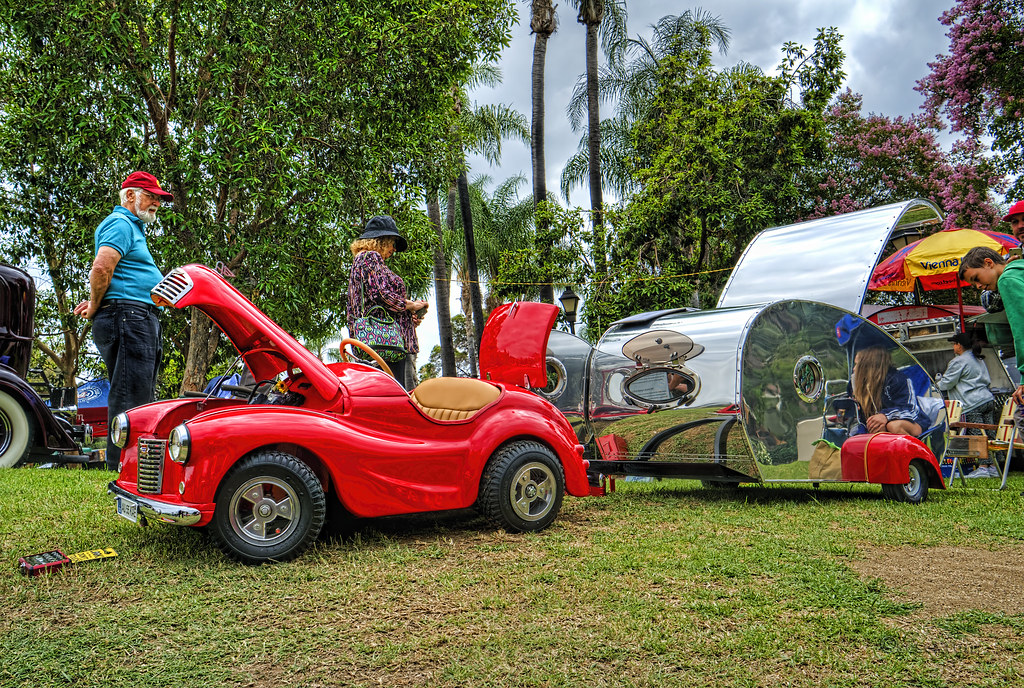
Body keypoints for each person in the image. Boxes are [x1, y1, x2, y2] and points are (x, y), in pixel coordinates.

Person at [73, 171, 171, 470]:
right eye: (150, 196)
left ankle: (129, 463)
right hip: (128, 317)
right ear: (130, 195)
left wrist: (96, 301)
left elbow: (116, 276)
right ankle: (124, 466)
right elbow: (102, 267)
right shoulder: (120, 223)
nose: (156, 203)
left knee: (137, 390)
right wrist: (95, 306)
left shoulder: (132, 227)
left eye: (158, 199)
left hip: (132, 314)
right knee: (131, 394)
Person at [346, 216, 428, 391]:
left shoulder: (364, 260)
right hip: (385, 342)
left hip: (385, 339)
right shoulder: (370, 257)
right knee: (396, 394)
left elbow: (378, 299)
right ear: (382, 241)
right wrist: (410, 305)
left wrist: (409, 316)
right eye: (392, 243)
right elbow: (380, 294)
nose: (394, 249)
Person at [959, 246, 1024, 406]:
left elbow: (1021, 329)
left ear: (989, 263)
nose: (978, 286)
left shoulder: (1006, 280)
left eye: (976, 278)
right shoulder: (1019, 269)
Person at [849, 346, 930, 436]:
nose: (854, 369)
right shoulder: (860, 385)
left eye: (857, 364)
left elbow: (910, 409)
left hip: (912, 422)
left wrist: (886, 416)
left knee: (893, 426)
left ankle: (913, 446)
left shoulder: (898, 380)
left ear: (868, 365)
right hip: (881, 428)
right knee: (859, 433)